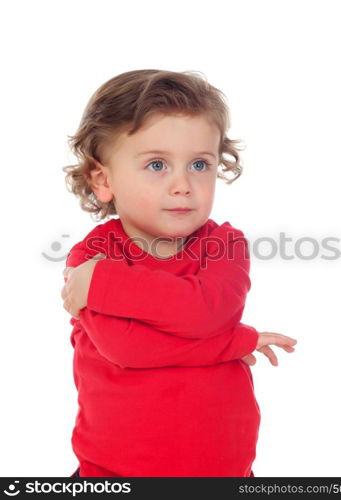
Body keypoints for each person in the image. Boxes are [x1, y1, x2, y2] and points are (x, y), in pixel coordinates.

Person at [61, 69, 297, 478]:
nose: (183, 185)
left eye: (200, 164)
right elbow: (128, 349)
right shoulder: (93, 256)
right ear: (103, 180)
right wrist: (235, 342)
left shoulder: (226, 245)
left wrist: (105, 284)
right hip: (114, 476)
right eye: (156, 164)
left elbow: (206, 312)